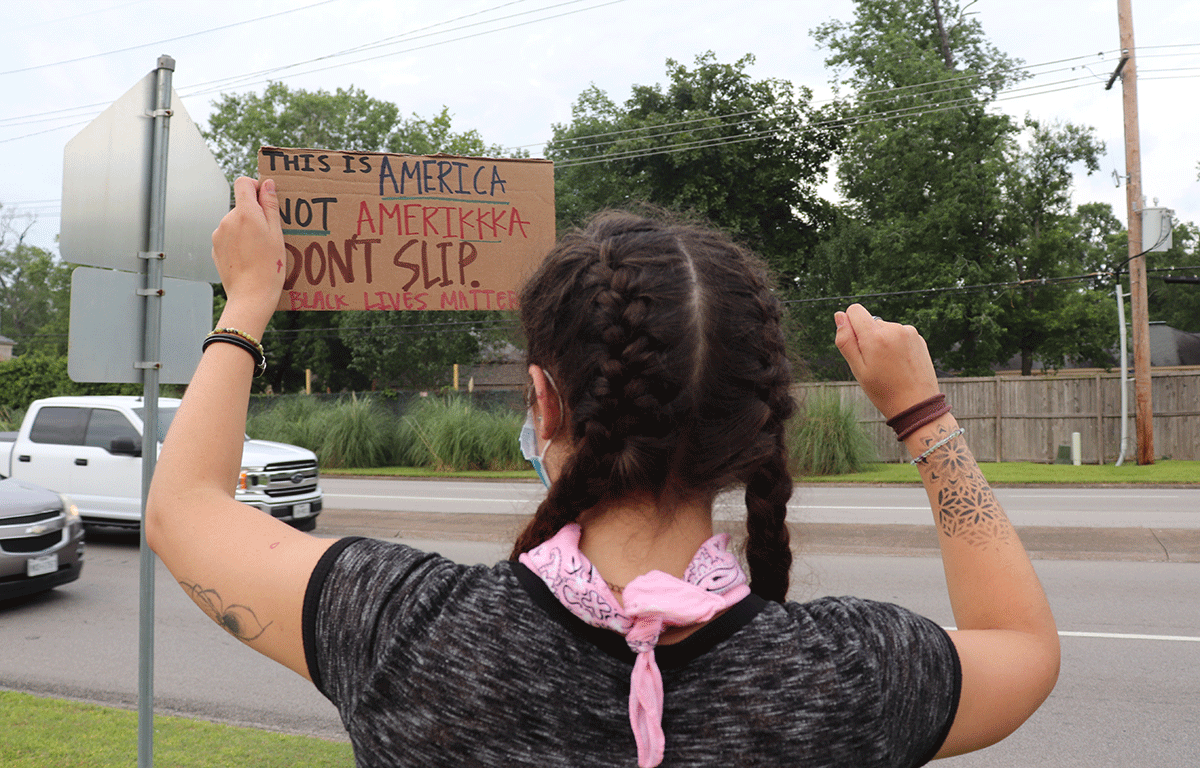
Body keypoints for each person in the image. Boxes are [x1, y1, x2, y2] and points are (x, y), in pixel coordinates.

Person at [147, 177, 1059, 767]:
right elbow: (1022, 649)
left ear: (543, 402)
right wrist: (924, 418)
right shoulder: (849, 679)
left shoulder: (404, 630)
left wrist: (250, 302)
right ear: (757, 428)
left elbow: (185, 507)